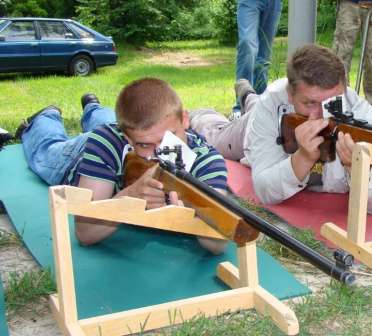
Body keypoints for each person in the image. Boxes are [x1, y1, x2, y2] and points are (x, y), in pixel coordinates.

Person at [16, 79, 229, 254]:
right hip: (75, 158)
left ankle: (93, 107)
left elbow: (218, 244)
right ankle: (46, 116)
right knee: (46, 151)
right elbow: (85, 233)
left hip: (121, 135)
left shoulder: (206, 160)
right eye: (145, 145)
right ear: (127, 137)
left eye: (169, 137)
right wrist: (131, 196)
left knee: (109, 120)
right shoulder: (107, 142)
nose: (160, 153)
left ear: (185, 119)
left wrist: (194, 210)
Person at [190, 44, 372, 215]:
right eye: (311, 103)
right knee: (215, 137)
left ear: (345, 89)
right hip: (255, 125)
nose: (321, 116)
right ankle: (200, 113)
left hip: (265, 109)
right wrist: (303, 157)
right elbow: (264, 191)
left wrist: (357, 168)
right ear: (290, 94)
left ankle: (249, 97)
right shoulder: (272, 104)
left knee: (256, 104)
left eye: (332, 102)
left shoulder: (365, 119)